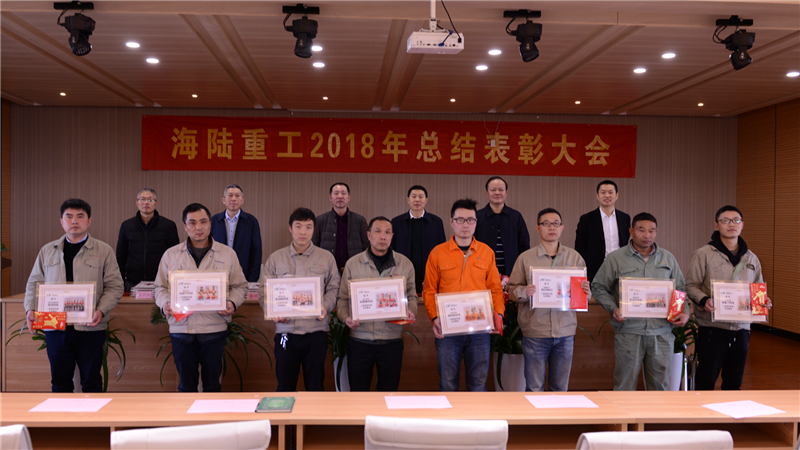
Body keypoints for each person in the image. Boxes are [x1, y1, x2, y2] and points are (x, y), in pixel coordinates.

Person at [24, 199, 124, 392]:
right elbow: (34, 283)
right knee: (59, 382)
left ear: (89, 221)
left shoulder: (104, 250)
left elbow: (115, 286)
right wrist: (30, 309)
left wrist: (101, 310)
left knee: (91, 382)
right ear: (61, 221)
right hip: (55, 326)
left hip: (90, 327)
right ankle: (62, 414)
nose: (74, 221)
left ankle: (93, 414)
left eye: (80, 216)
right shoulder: (48, 251)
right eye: (69, 217)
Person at [155, 203, 248, 392]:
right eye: (193, 223)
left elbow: (240, 286)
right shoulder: (171, 255)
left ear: (210, 224)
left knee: (213, 386)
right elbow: (160, 287)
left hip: (213, 327)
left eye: (203, 222)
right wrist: (164, 303)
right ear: (185, 226)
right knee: (186, 386)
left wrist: (232, 302)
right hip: (181, 329)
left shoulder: (227, 254)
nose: (199, 227)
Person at [591, 212, 690, 391]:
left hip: (661, 332)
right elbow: (598, 287)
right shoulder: (616, 258)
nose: (647, 235)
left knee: (660, 387)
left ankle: (655, 412)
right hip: (629, 332)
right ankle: (622, 412)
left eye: (652, 231)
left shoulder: (667, 258)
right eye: (641, 230)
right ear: (631, 231)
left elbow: (680, 289)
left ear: (656, 232)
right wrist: (613, 308)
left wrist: (684, 312)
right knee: (624, 386)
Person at [686, 205, 771, 390]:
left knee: (734, 382)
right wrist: (704, 300)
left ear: (742, 225)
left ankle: (730, 410)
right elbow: (691, 286)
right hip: (713, 328)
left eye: (736, 220)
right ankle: (700, 409)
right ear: (716, 225)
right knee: (706, 380)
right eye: (725, 221)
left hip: (742, 329)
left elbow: (757, 289)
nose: (731, 224)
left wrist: (763, 302)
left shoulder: (752, 258)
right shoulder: (703, 254)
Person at [424, 199, 505, 391]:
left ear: (476, 223)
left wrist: (499, 315)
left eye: (470, 220)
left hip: (479, 330)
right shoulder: (437, 253)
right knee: (448, 384)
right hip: (448, 329)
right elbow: (429, 290)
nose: (465, 224)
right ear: (451, 222)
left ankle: (475, 413)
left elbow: (495, 289)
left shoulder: (486, 252)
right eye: (460, 220)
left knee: (478, 384)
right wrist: (435, 317)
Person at [507, 208, 591, 392]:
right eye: (546, 224)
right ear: (538, 228)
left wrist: (586, 291)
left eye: (556, 224)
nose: (551, 227)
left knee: (560, 388)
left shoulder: (574, 257)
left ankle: (557, 414)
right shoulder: (525, 258)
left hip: (565, 332)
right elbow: (511, 290)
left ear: (562, 228)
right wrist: (524, 291)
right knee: (534, 387)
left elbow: (583, 295)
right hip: (535, 332)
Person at [261, 207, 340, 392]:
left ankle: (313, 413)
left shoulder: (326, 258)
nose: (303, 232)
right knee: (285, 386)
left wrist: (325, 306)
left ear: (314, 229)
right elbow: (265, 292)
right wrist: (272, 312)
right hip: (286, 332)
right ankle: (285, 414)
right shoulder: (276, 258)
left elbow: (333, 288)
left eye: (308, 227)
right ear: (290, 228)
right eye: (298, 226)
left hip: (316, 332)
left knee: (315, 386)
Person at [336, 216, 417, 391]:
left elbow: (411, 297)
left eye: (387, 232)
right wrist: (346, 317)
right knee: (359, 393)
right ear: (368, 235)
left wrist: (410, 311)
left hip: (391, 340)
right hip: (360, 340)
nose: (383, 237)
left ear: (392, 236)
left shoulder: (405, 264)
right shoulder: (353, 264)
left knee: (388, 393)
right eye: (378, 231)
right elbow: (342, 299)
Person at [116, 188, 180, 292]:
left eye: (150, 200)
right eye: (142, 199)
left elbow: (175, 256)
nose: (146, 202)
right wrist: (120, 282)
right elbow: (120, 256)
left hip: (161, 281)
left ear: (156, 203)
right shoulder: (126, 226)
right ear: (137, 203)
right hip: (133, 281)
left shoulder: (168, 225)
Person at [390, 185, 446, 294]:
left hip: (429, 271)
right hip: (402, 272)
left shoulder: (436, 222)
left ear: (426, 200)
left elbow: (442, 249)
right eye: (413, 196)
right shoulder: (396, 222)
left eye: (421, 197)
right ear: (408, 200)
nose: (417, 200)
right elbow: (392, 249)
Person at [575, 180, 631, 282]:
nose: (607, 195)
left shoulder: (625, 218)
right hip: (595, 269)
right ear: (597, 196)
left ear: (616, 195)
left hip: (619, 267)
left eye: (610, 192)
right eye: (603, 192)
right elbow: (579, 247)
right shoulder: (587, 219)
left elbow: (625, 244)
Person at [474, 176, 530, 276]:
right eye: (493, 190)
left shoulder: (516, 216)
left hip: (512, 274)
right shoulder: (477, 217)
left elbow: (524, 246)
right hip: (482, 273)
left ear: (506, 193)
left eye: (501, 190)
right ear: (487, 193)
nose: (497, 193)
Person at [210, 184, 262, 282]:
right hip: (217, 274)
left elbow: (256, 252)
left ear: (242, 200)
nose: (233, 199)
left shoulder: (251, 221)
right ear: (223, 200)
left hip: (243, 275)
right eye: (230, 195)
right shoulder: (214, 220)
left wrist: (252, 279)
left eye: (237, 196)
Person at [313, 182, 369, 272]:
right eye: (336, 193)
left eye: (343, 193)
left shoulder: (360, 220)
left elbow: (367, 247)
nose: (340, 196)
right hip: (328, 270)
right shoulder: (320, 220)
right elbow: (314, 247)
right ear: (330, 198)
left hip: (354, 270)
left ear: (349, 197)